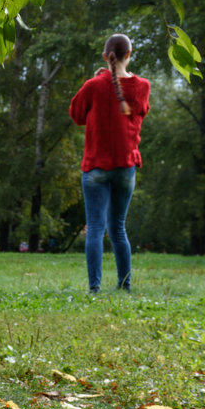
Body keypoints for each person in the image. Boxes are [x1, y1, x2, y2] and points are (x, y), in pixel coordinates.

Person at [69, 33, 151, 293]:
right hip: (125, 166)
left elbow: (76, 115)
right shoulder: (142, 86)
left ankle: (94, 288)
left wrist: (96, 80)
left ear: (106, 56)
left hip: (95, 166)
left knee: (95, 228)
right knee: (118, 228)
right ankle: (124, 286)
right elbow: (140, 113)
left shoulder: (93, 85)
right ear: (129, 54)